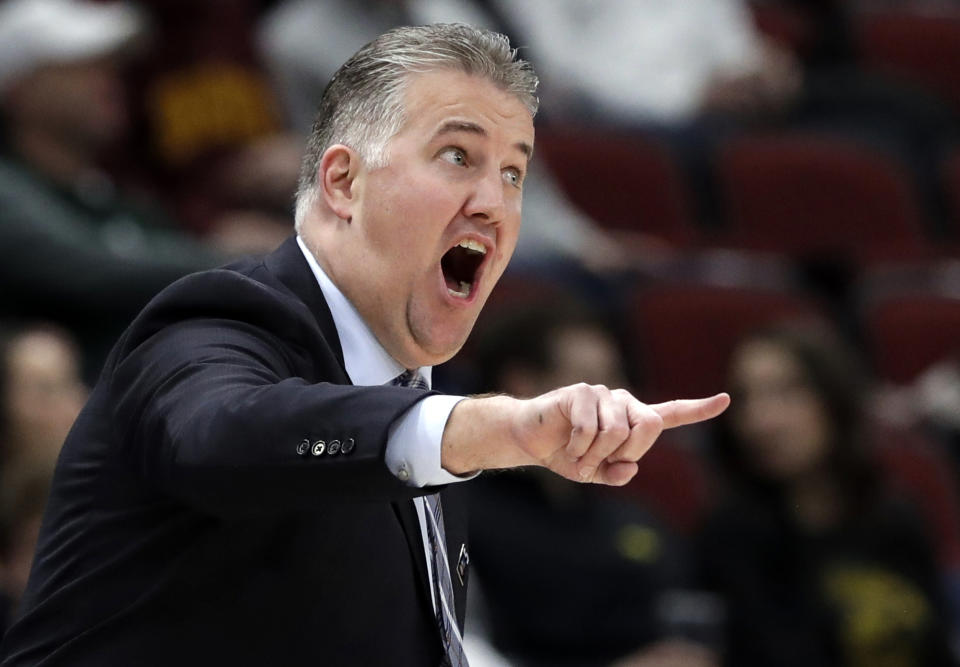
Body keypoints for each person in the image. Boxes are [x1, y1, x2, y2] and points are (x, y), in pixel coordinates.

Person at [0, 24, 728, 665]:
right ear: (344, 182)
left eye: (513, 171)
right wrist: (479, 427)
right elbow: (224, 430)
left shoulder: (411, 401)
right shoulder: (218, 323)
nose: (496, 202)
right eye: (457, 156)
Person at [698, 325, 955, 666]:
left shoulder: (896, 516)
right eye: (746, 398)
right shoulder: (730, 536)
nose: (761, 421)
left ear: (833, 397)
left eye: (787, 391)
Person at [0, 0, 224, 379]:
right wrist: (245, 261)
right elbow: (85, 270)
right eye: (82, 64)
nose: (110, 81)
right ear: (19, 88)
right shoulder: (10, 190)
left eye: (111, 66)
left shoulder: (118, 199)